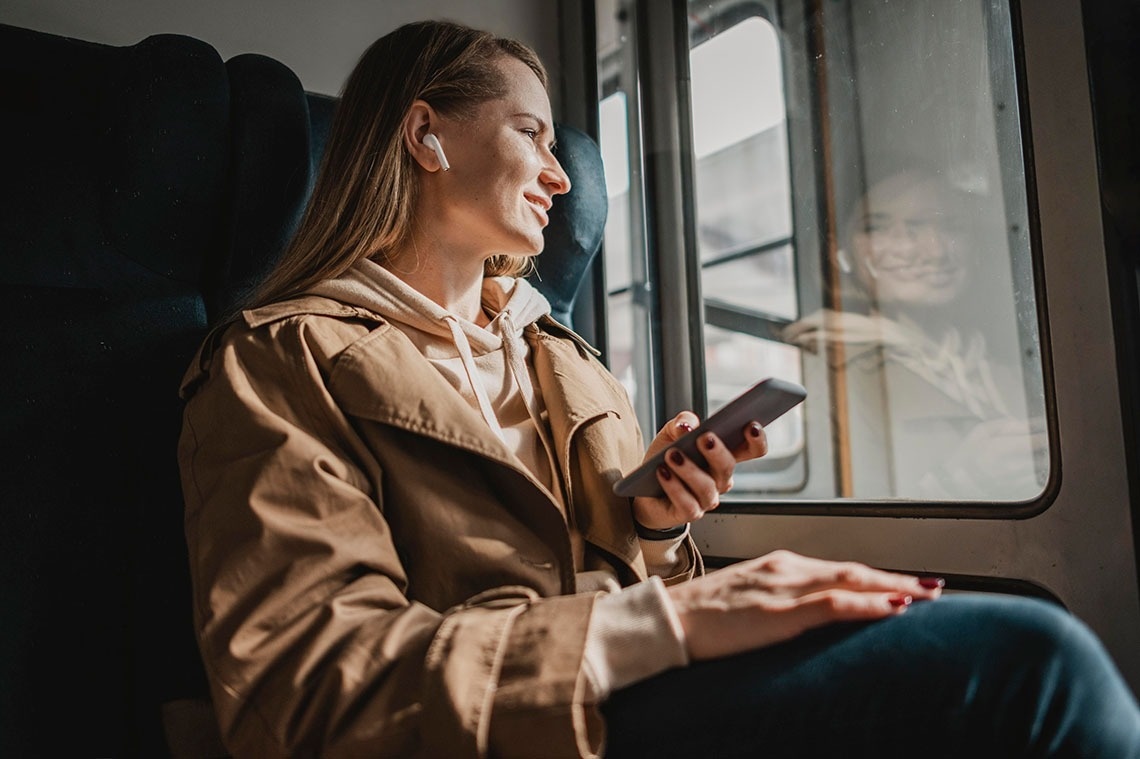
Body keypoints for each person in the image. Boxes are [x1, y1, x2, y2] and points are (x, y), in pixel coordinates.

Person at [177, 20, 1140, 758]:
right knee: (1037, 670)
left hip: (641, 680)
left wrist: (659, 528)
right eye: (532, 135)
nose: (560, 175)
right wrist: (678, 617)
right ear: (425, 135)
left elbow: (650, 582)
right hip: (529, 720)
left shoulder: (566, 357)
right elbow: (307, 685)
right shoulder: (277, 361)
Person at [785, 168, 1046, 500]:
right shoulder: (820, 370)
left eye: (950, 226)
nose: (931, 250)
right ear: (843, 251)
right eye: (880, 227)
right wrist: (962, 480)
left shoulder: (1014, 367)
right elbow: (824, 530)